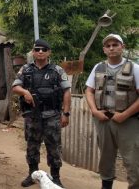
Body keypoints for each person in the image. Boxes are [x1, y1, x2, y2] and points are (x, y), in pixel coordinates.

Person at [12, 39, 71, 188]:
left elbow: (66, 92)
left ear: (49, 52)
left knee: (54, 147)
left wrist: (66, 113)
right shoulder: (25, 69)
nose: (40, 52)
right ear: (33, 52)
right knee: (32, 146)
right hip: (33, 116)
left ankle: (55, 178)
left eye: (43, 49)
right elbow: (15, 87)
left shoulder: (57, 70)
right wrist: (25, 91)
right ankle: (33, 175)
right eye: (37, 49)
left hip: (52, 116)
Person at [85, 34, 139, 189]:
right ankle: (106, 186)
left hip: (128, 121)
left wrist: (124, 115)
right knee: (106, 158)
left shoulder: (134, 68)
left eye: (115, 44)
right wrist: (95, 111)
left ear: (123, 47)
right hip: (103, 119)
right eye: (108, 46)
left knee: (133, 159)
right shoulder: (98, 67)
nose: (111, 48)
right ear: (104, 50)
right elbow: (89, 91)